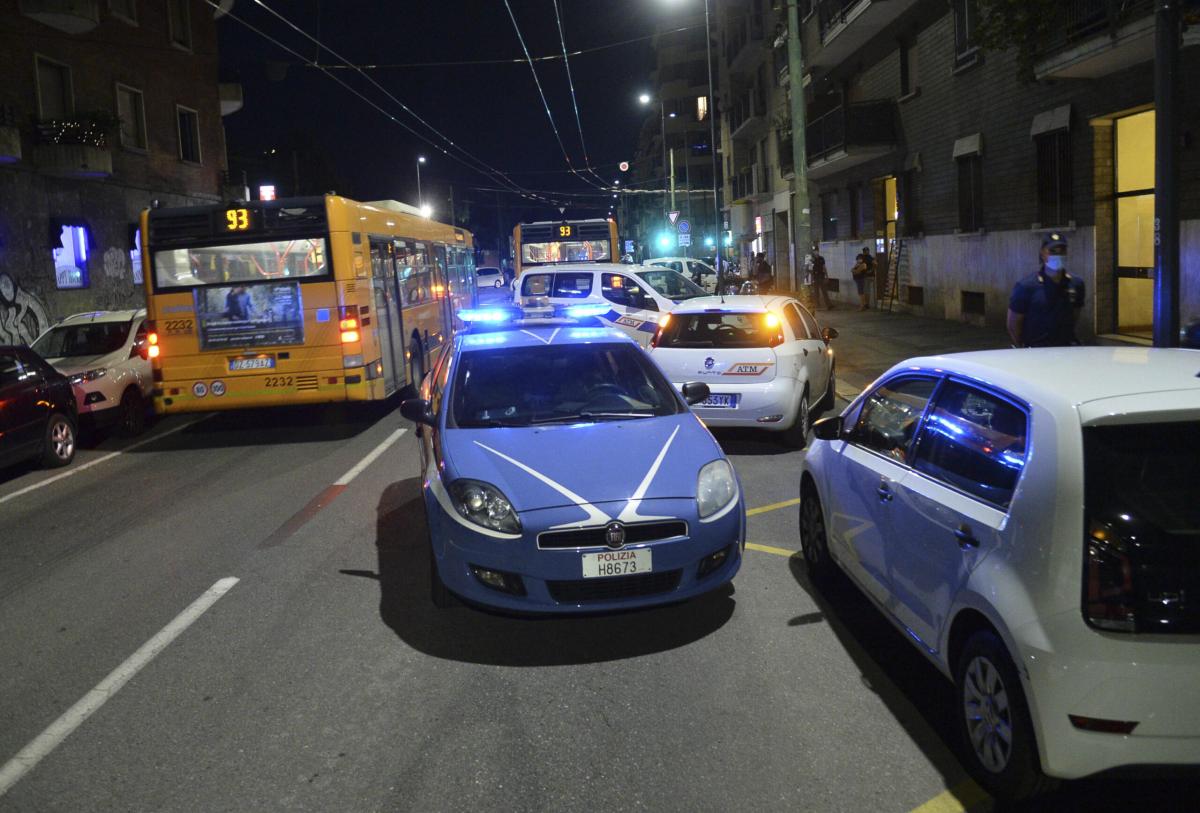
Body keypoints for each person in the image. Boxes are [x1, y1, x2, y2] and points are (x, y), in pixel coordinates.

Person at [1007, 233, 1086, 347]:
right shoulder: (1026, 286)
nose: (1057, 255)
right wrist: (1022, 350)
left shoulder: (1076, 284)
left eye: (1061, 251)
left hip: (1067, 351)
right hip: (1037, 352)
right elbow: (1013, 324)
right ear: (1043, 253)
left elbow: (1074, 316)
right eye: (1053, 251)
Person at [852, 246, 875, 311]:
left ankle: (865, 305)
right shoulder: (867, 257)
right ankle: (865, 305)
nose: (865, 252)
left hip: (866, 277)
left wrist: (871, 270)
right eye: (865, 251)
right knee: (864, 291)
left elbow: (857, 270)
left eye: (866, 251)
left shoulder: (868, 258)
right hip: (865, 276)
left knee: (864, 291)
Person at [809, 245, 831, 310]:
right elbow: (810, 269)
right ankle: (817, 305)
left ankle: (828, 305)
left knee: (824, 291)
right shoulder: (811, 260)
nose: (816, 252)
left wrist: (827, 276)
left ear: (818, 251)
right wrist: (811, 279)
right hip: (815, 277)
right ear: (813, 252)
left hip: (821, 276)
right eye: (815, 251)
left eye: (817, 251)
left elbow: (824, 267)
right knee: (816, 292)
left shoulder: (822, 258)